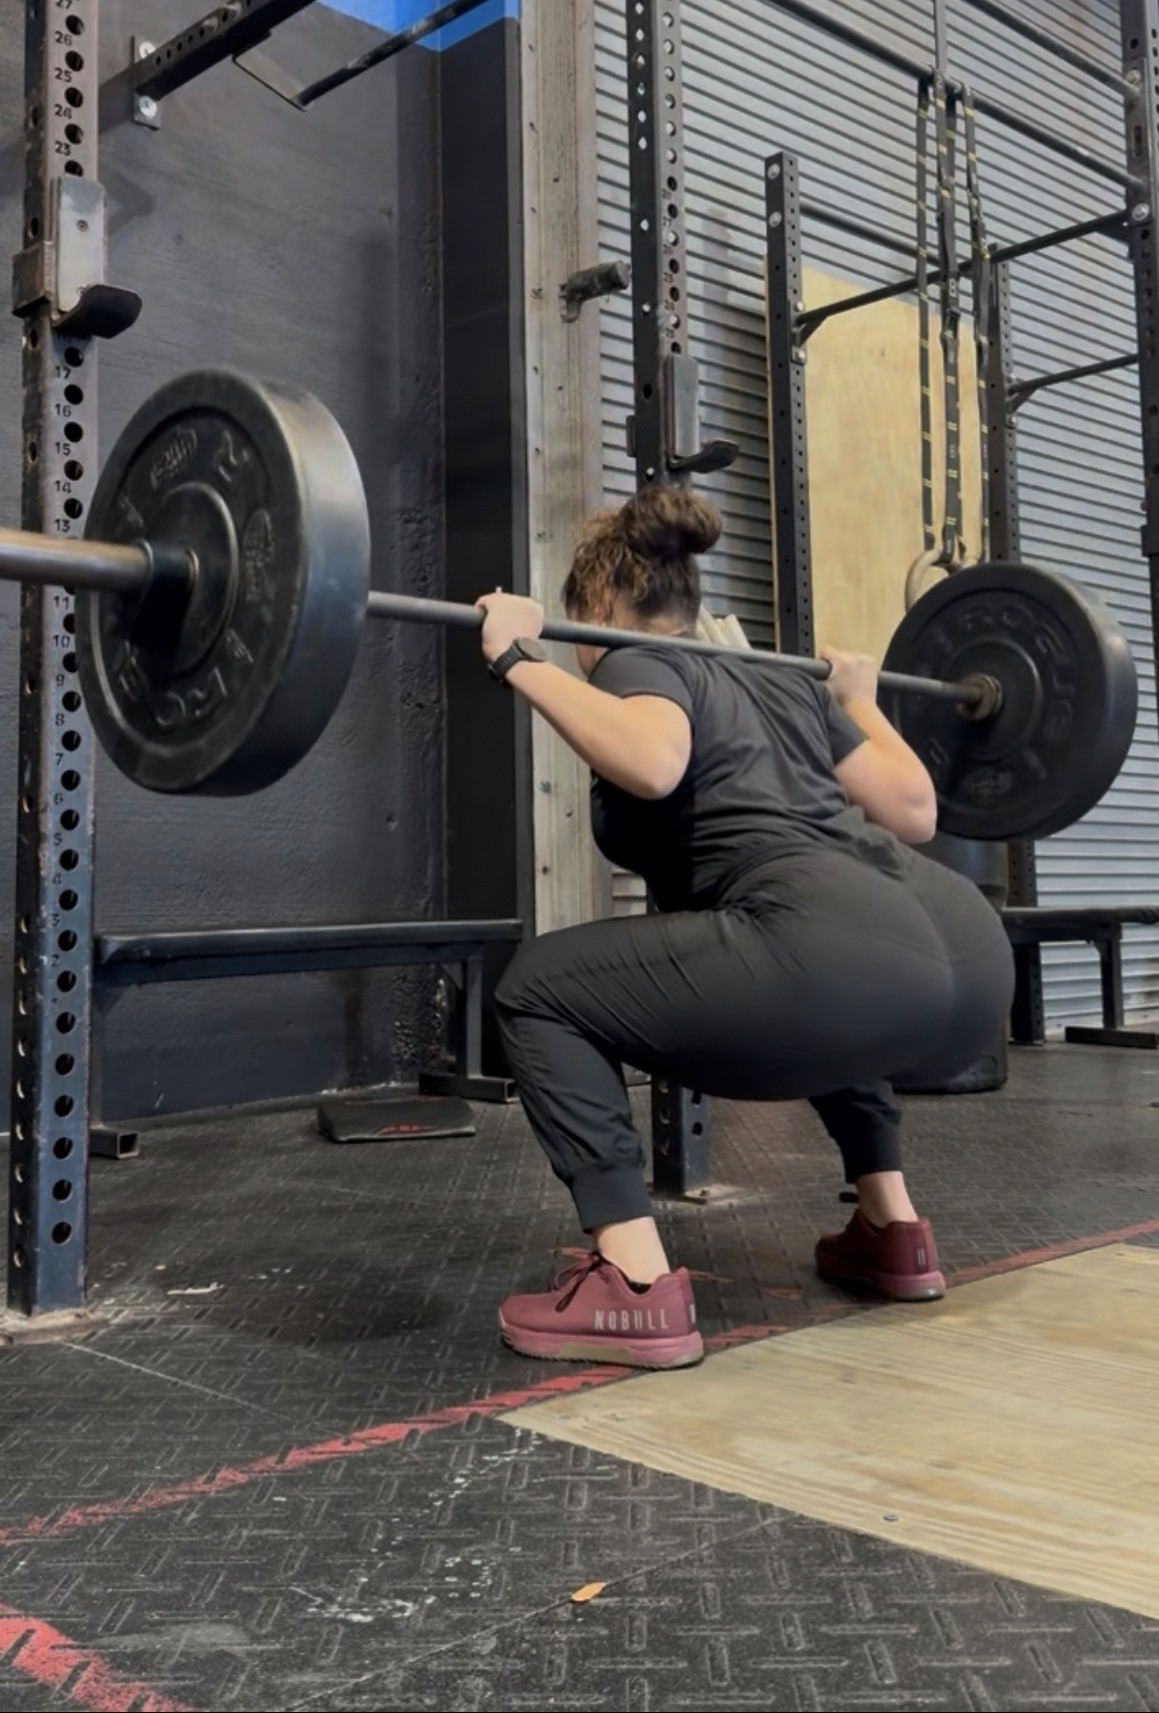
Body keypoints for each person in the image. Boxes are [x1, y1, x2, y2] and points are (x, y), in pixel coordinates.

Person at [476, 486, 1014, 1370]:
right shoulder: (773, 676)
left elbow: (652, 763)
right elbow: (915, 809)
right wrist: (859, 699)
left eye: (578, 631)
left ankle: (635, 1284)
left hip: (838, 950)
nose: (582, 657)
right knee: (822, 957)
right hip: (961, 959)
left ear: (601, 608)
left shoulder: (635, 657)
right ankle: (891, 1227)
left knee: (535, 987)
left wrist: (518, 657)